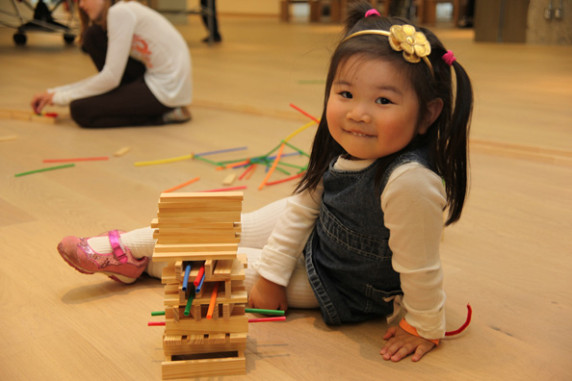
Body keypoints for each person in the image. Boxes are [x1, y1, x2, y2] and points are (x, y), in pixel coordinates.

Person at [56, 1, 473, 362]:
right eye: (345, 94)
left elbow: (420, 268)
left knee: (210, 270)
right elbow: (307, 204)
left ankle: (138, 263)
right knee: (223, 222)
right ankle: (125, 247)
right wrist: (275, 266)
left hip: (337, 283)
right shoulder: (353, 144)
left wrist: (423, 326)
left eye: (383, 101)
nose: (358, 113)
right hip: (320, 234)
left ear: (429, 114)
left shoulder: (410, 182)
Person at [30, 0, 192, 128]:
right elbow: (108, 75)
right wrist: (54, 92)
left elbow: (110, 78)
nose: (81, 5)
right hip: (154, 79)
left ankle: (165, 114)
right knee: (93, 36)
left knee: (81, 110)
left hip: (168, 90)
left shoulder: (119, 12)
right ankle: (126, 102)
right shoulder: (119, 11)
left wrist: (60, 98)